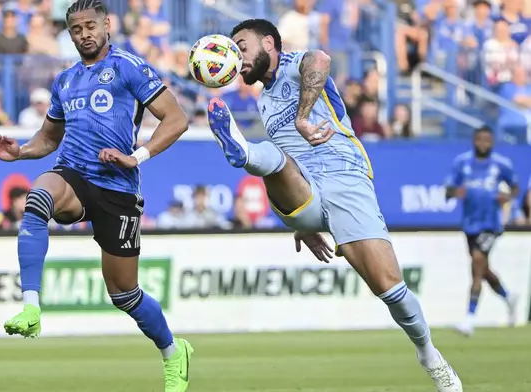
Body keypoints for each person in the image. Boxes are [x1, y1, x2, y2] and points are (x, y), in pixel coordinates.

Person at [206, 19, 462, 391]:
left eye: (241, 48)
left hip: (344, 177)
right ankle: (242, 151)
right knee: (273, 160)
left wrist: (303, 116)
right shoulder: (263, 99)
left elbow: (321, 60)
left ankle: (428, 353)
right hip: (301, 190)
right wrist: (302, 224)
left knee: (388, 287)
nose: (236, 59)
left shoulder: (297, 63)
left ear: (268, 43)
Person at [0, 1, 193, 391]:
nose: (84, 33)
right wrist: (19, 152)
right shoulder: (65, 80)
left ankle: (173, 351)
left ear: (107, 25)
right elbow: (48, 139)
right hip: (74, 174)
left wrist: (136, 157)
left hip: (118, 186)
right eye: (76, 28)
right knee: (37, 198)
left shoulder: (129, 67)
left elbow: (177, 118)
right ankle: (31, 305)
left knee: (124, 294)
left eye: (90, 25)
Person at [445, 126, 519, 337]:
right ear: (474, 141)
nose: (483, 144)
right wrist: (454, 192)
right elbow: (449, 188)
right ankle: (508, 296)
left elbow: (515, 186)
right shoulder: (462, 163)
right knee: (483, 269)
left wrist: (508, 197)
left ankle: (469, 319)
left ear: (492, 142)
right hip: (470, 224)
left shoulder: (501, 164)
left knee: (477, 262)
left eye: (487, 140)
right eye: (479, 140)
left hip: (491, 224)